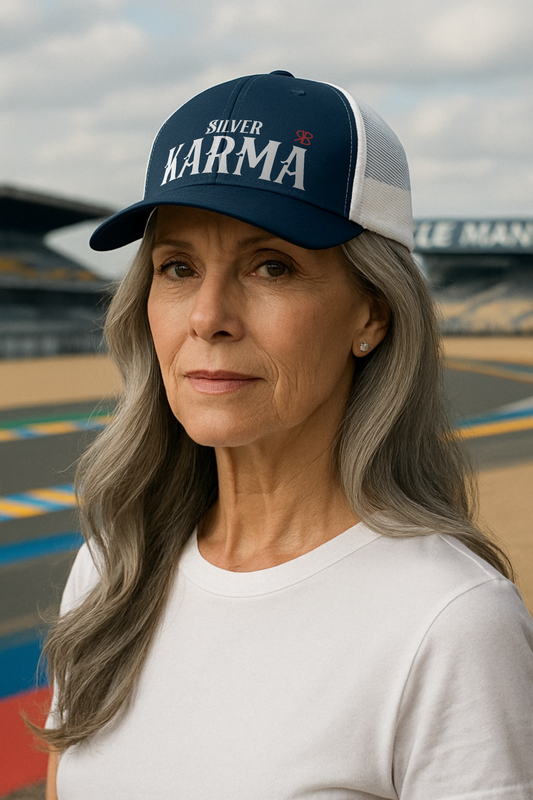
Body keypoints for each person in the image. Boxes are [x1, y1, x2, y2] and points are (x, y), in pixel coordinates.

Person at [42, 71, 533, 799]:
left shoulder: (451, 624)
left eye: (271, 266)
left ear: (373, 313)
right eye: (177, 267)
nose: (208, 316)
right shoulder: (111, 566)